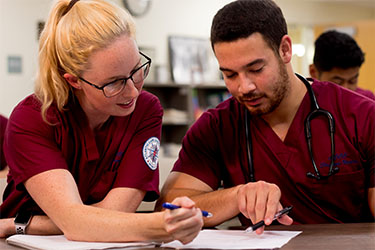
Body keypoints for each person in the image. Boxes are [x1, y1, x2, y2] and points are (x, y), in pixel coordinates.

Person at [156, 0, 375, 233]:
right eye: (230, 75)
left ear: (285, 50)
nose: (244, 87)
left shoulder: (361, 116)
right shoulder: (216, 127)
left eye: (256, 69)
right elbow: (169, 210)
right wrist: (237, 196)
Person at [0, 0, 203, 244]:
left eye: (137, 70)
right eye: (114, 82)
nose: (133, 93)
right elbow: (76, 225)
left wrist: (19, 223)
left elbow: (112, 215)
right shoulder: (33, 119)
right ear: (74, 81)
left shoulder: (146, 109)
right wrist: (164, 224)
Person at [309, 30, 375, 100]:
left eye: (352, 81)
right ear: (313, 72)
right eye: (338, 82)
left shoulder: (367, 100)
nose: (346, 90)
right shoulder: (303, 103)